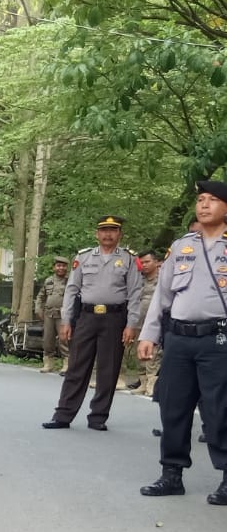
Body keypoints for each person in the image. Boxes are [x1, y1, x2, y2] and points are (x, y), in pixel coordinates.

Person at [137, 183, 227, 501]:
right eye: (200, 200)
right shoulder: (181, 247)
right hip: (178, 339)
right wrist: (149, 335)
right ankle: (171, 474)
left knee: (220, 410)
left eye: (213, 200)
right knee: (174, 407)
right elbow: (163, 295)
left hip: (219, 340)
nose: (204, 205)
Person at [42, 216, 141, 432]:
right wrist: (66, 320)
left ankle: (98, 416)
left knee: (109, 369)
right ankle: (63, 414)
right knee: (77, 366)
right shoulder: (84, 258)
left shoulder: (128, 259)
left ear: (119, 234)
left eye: (113, 230)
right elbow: (71, 290)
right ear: (97, 234)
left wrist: (131, 324)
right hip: (86, 317)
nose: (108, 234)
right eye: (104, 230)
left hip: (115, 318)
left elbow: (134, 294)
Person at [129, 250, 161, 395]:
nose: (144, 265)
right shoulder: (138, 280)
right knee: (139, 352)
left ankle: (152, 384)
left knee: (153, 354)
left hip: (155, 324)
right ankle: (142, 382)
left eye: (147, 262)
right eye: (142, 262)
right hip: (138, 322)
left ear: (156, 262)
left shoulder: (163, 279)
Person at [36, 255, 71, 372]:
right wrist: (38, 308)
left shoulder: (70, 281)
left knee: (64, 339)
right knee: (47, 340)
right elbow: (41, 296)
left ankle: (66, 364)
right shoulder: (48, 281)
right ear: (54, 267)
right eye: (58, 266)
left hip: (63, 315)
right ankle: (48, 363)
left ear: (67, 268)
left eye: (63, 266)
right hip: (49, 314)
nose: (61, 268)